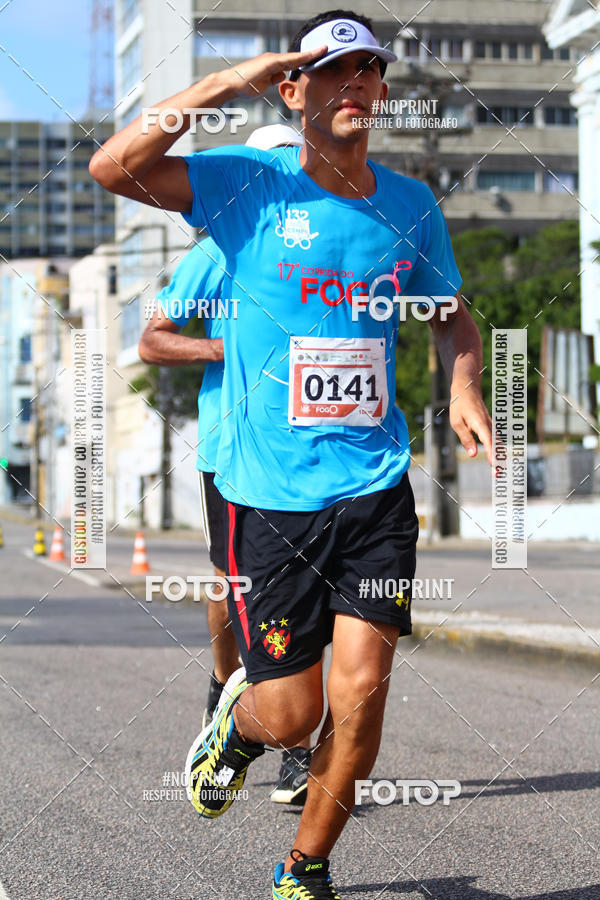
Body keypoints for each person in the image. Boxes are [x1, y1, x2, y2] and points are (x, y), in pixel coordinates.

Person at [90, 10, 493, 899]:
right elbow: (112, 168)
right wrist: (221, 88)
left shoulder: (409, 205)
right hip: (267, 490)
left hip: (377, 488)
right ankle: (242, 724)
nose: (358, 86)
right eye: (336, 71)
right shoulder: (245, 187)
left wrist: (465, 384)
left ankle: (305, 868)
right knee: (292, 712)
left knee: (362, 691)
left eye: (370, 73)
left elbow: (452, 313)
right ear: (294, 88)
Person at [138, 124, 314, 806]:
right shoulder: (219, 251)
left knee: (311, 598)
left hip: (321, 450)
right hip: (235, 448)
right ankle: (225, 682)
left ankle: (300, 747)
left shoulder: (327, 247)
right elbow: (154, 340)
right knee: (231, 586)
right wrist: (225, 353)